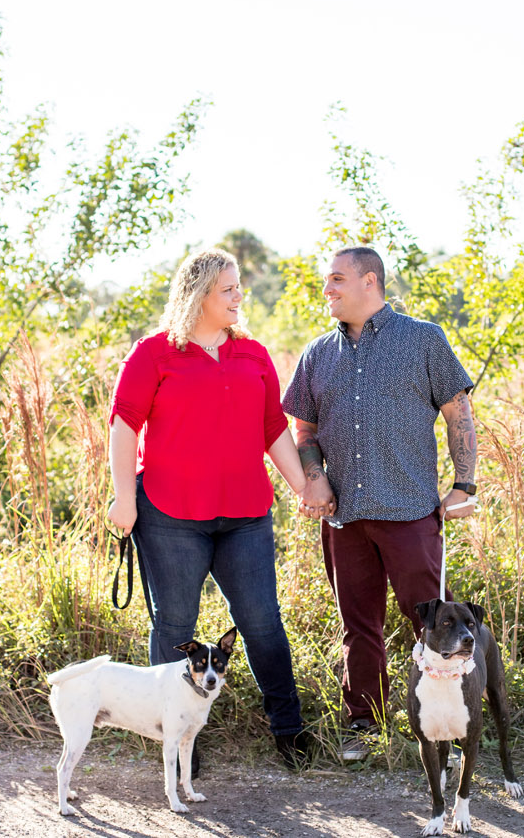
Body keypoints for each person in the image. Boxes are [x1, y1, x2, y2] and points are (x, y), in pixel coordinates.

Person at [107, 248, 314, 772]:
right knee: (176, 625)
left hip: (244, 514)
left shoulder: (254, 355)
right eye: (229, 289)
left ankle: (288, 730)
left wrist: (305, 488)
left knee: (262, 622)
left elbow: (273, 431)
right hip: (171, 516)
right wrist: (124, 499)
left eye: (239, 286)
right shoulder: (154, 353)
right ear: (199, 295)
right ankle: (178, 746)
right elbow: (125, 425)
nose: (239, 296)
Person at [282, 245, 480, 763]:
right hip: (344, 519)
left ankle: (453, 727)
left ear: (370, 281)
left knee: (437, 623)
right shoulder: (317, 354)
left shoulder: (423, 339)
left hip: (412, 513)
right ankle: (364, 726)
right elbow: (304, 427)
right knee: (358, 625)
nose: (328, 289)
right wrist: (314, 475)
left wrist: (465, 484)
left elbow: (458, 409)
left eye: (337, 279)